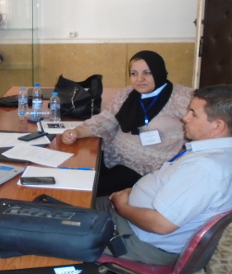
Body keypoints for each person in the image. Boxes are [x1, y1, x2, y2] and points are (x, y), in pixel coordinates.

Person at [96, 84, 232, 269]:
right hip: (141, 224)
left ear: (217, 126)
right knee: (83, 202)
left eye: (193, 113)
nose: (185, 117)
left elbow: (160, 225)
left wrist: (122, 207)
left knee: (69, 225)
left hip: (142, 241)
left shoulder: (206, 169)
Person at [61, 51, 193, 196]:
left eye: (147, 73)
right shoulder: (127, 93)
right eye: (134, 73)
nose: (140, 79)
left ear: (159, 72)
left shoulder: (183, 98)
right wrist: (77, 132)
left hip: (145, 170)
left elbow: (201, 130)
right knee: (70, 173)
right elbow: (105, 119)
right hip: (114, 158)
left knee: (84, 189)